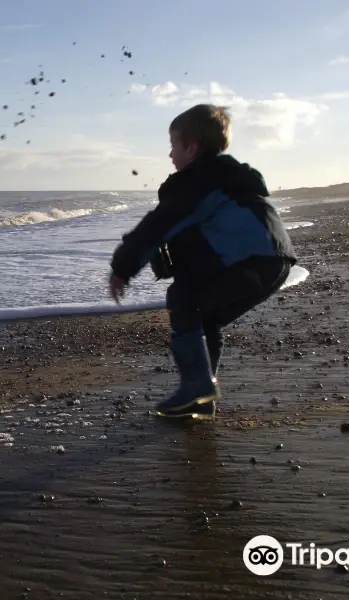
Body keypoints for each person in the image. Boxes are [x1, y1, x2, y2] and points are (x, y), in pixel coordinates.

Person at [108, 103, 297, 418]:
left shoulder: (197, 181)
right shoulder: (231, 179)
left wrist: (121, 269)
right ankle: (202, 396)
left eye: (173, 146)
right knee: (203, 316)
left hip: (249, 261)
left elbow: (157, 226)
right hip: (276, 263)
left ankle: (197, 385)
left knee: (184, 299)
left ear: (192, 148)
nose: (170, 155)